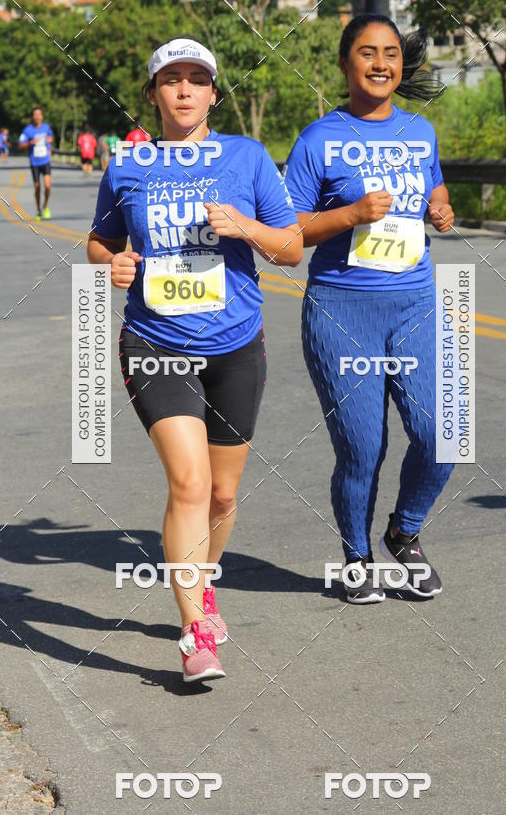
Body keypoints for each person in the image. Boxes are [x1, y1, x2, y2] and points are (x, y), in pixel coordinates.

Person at [87, 38, 302, 682]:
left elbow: (291, 249)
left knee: (223, 492)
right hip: (155, 343)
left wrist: (246, 227)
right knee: (190, 483)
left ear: (213, 94)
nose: (184, 90)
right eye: (171, 79)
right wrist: (113, 263)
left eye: (196, 79)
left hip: (236, 345)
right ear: (153, 94)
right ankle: (194, 631)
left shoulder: (247, 156)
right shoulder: (128, 164)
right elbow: (99, 242)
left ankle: (203, 585)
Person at [284, 14, 455, 604]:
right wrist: (351, 215)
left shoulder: (420, 131)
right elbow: (291, 232)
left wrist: (439, 207)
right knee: (362, 448)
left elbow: (434, 185)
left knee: (442, 433)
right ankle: (357, 557)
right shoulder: (317, 140)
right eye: (367, 52)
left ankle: (403, 533)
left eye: (391, 53)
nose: (381, 63)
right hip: (341, 310)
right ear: (344, 63)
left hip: (416, 303)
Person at [18, 106, 53, 220]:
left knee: (47, 186)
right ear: (32, 117)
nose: (37, 116)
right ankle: (38, 210)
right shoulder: (27, 130)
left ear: (42, 116)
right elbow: (20, 145)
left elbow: (51, 138)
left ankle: (45, 205)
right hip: (35, 162)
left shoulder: (46, 127)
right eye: (35, 115)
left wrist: (49, 140)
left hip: (45, 160)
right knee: (37, 187)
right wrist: (30, 143)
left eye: (39, 114)